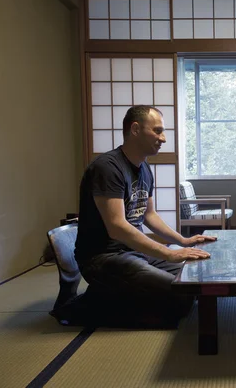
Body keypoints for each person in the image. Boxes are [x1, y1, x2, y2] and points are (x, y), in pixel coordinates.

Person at [73, 105, 215, 322]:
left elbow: (149, 215)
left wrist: (182, 241)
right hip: (103, 258)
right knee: (182, 297)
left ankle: (124, 293)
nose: (164, 138)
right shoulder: (108, 167)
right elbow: (117, 227)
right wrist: (168, 253)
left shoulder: (144, 168)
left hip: (135, 253)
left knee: (197, 280)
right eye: (157, 131)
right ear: (136, 129)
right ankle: (99, 301)